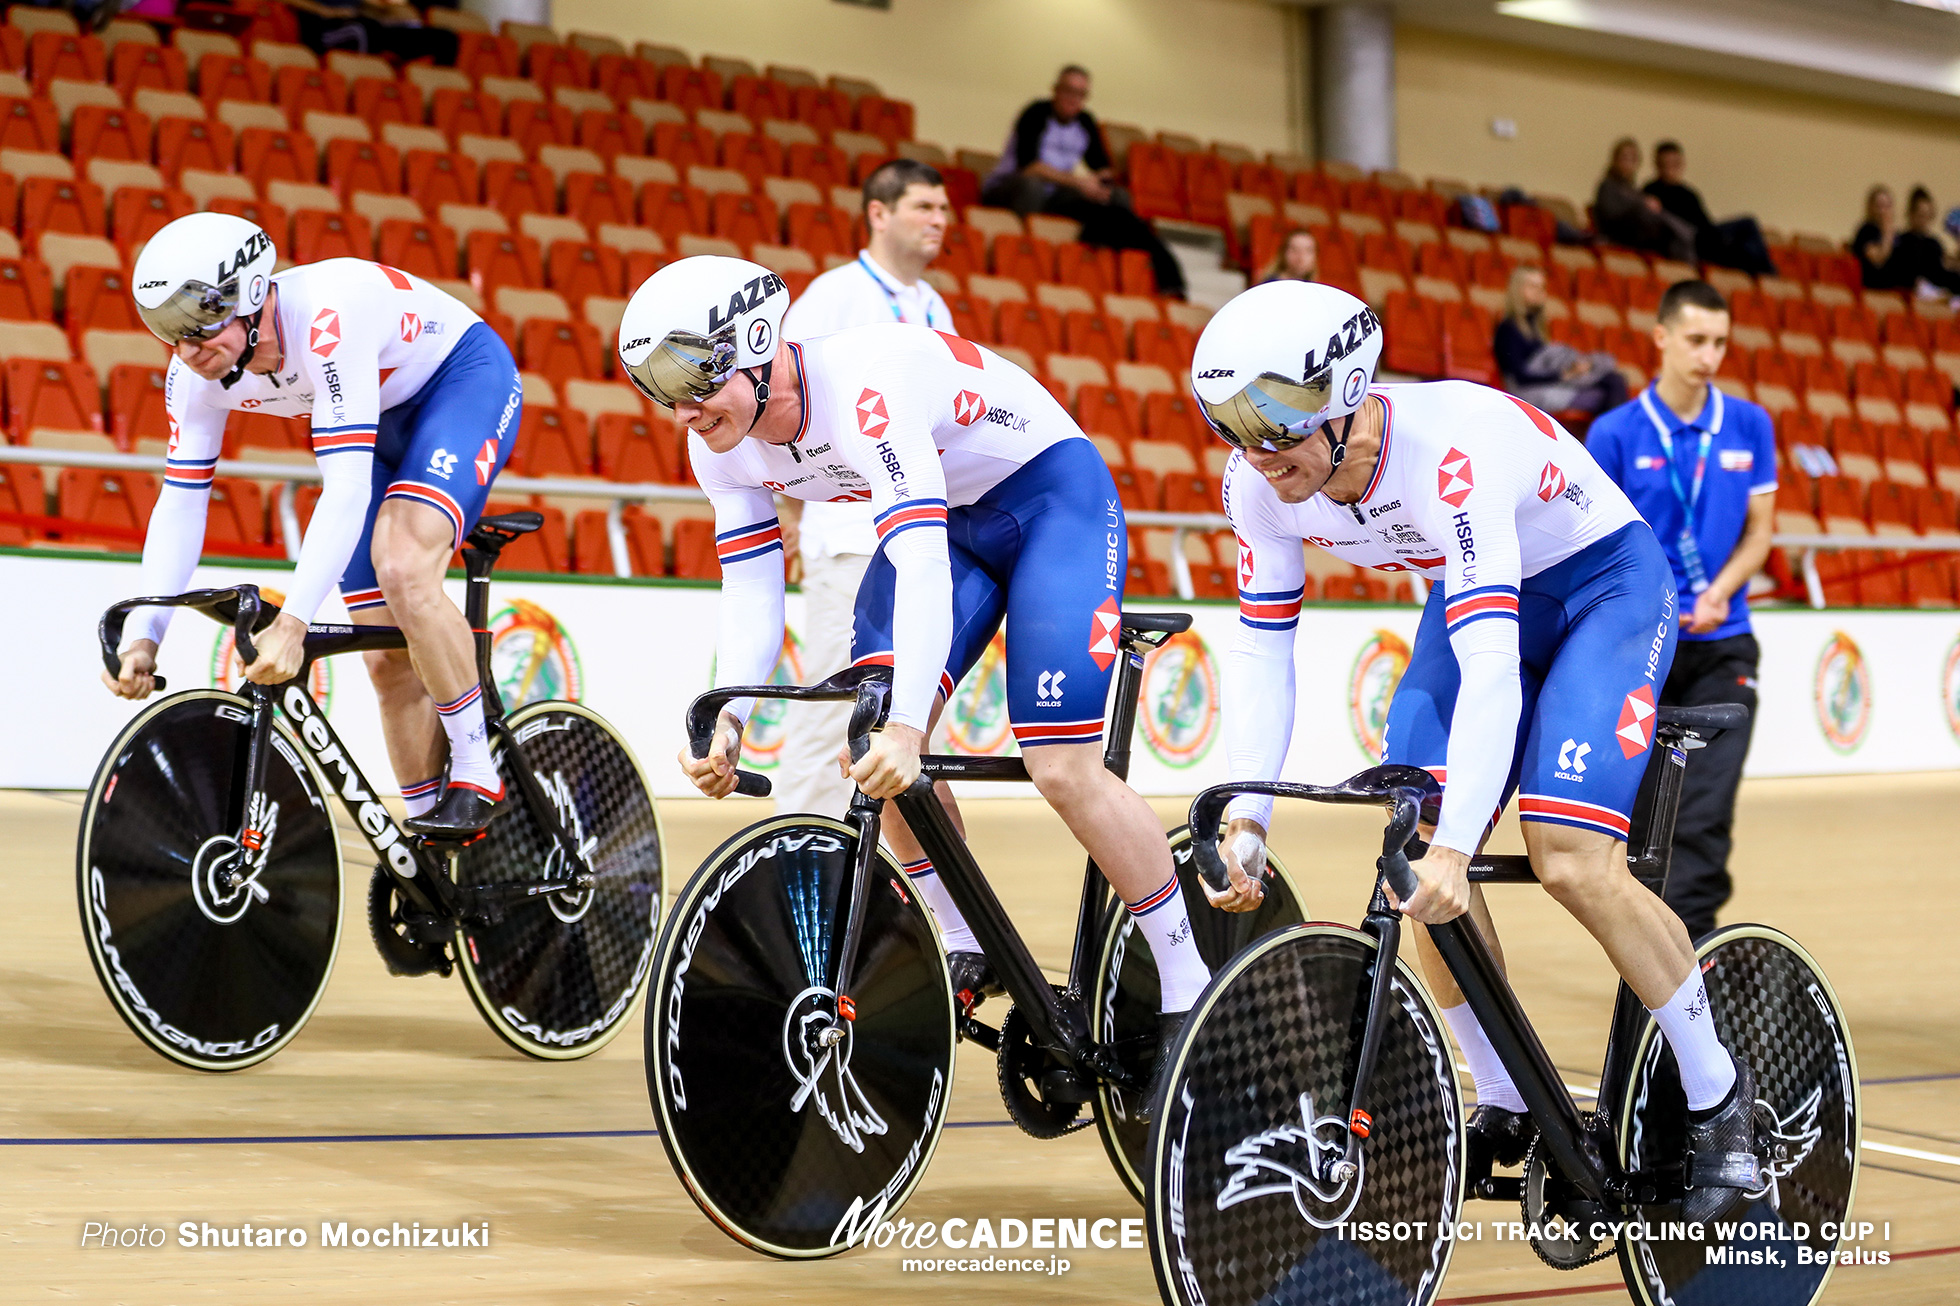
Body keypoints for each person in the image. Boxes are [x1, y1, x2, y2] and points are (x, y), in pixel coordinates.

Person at [1199, 279, 1768, 1222]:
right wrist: (1249, 819)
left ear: (1344, 394)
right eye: (1228, 422)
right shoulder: (1258, 486)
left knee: (1573, 860)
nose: (1256, 451)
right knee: (1409, 853)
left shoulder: (1447, 453)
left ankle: (1718, 1092)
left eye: (1276, 420)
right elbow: (1263, 655)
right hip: (1480, 596)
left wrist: (1464, 843)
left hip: (1602, 591)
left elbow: (1493, 667)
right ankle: (1505, 1096)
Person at [620, 256, 1222, 1117]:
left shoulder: (867, 387)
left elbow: (918, 555)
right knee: (871, 739)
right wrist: (731, 714)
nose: (680, 409)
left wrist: (913, 726)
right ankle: (963, 934)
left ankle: (1185, 983)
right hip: (955, 528)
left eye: (692, 379)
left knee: (1059, 769)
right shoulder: (718, 443)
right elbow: (754, 586)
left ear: (756, 345)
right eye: (656, 387)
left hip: (1050, 503)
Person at [102, 212, 522, 838]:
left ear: (250, 295)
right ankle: (431, 848)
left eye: (203, 325)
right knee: (384, 660)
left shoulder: (328, 316)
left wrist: (294, 622)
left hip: (458, 385)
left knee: (404, 567)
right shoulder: (194, 376)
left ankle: (475, 767)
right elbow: (183, 500)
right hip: (376, 419)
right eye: (171, 332)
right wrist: (145, 633)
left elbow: (346, 487)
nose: (189, 350)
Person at [1585, 280, 1776, 942]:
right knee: (1638, 824)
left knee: (1703, 817)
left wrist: (1722, 589)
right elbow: (1603, 543)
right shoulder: (1614, 433)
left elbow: (1759, 532)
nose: (1710, 356)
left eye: (1721, 342)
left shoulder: (1751, 425)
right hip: (1645, 648)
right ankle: (1650, 965)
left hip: (1726, 645)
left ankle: (1688, 969)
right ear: (1661, 337)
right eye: (1697, 340)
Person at [775, 158, 956, 823]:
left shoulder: (935, 305)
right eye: (923, 208)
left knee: (906, 726)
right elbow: (780, 410)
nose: (939, 220)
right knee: (831, 719)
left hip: (915, 541)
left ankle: (876, 885)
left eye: (942, 209)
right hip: (847, 540)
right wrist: (789, 510)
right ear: (878, 214)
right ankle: (793, 867)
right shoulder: (831, 295)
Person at [979, 65, 1186, 297]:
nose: (1073, 99)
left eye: (1080, 94)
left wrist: (1101, 186)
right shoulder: (1036, 113)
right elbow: (1030, 167)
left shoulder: (1085, 121)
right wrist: (1080, 183)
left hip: (1056, 194)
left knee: (1118, 197)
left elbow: (1103, 168)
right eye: (1068, 91)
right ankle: (1026, 251)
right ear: (1055, 91)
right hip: (1011, 187)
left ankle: (1119, 265)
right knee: (1033, 188)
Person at [1494, 265, 1627, 419]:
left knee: (1612, 381)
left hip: (1548, 384)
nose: (1540, 291)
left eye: (1542, 287)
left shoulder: (1535, 328)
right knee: (1607, 389)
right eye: (1533, 286)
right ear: (1517, 289)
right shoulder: (1508, 329)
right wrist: (1562, 375)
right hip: (1530, 392)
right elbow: (1521, 377)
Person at [1643, 141, 1776, 276]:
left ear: (1682, 165)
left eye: (1675, 164)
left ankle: (1764, 276)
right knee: (1747, 225)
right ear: (1658, 165)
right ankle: (1769, 274)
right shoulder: (1651, 191)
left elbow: (1706, 223)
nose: (1671, 168)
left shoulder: (1689, 193)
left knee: (1746, 239)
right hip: (1691, 244)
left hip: (1707, 238)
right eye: (1666, 164)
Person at [1593, 137, 1694, 263]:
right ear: (1615, 159)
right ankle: (1684, 238)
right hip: (1621, 235)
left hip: (1642, 235)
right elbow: (1611, 215)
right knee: (1657, 216)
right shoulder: (1608, 186)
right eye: (1625, 157)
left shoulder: (1634, 190)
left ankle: (1684, 243)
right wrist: (1642, 204)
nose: (1629, 163)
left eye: (1633, 158)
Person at [1855, 185, 1960, 295]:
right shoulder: (1867, 230)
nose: (1884, 211)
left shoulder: (1932, 243)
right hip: (1879, 284)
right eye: (1879, 206)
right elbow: (1879, 260)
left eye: (1888, 206)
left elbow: (1941, 265)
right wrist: (1887, 231)